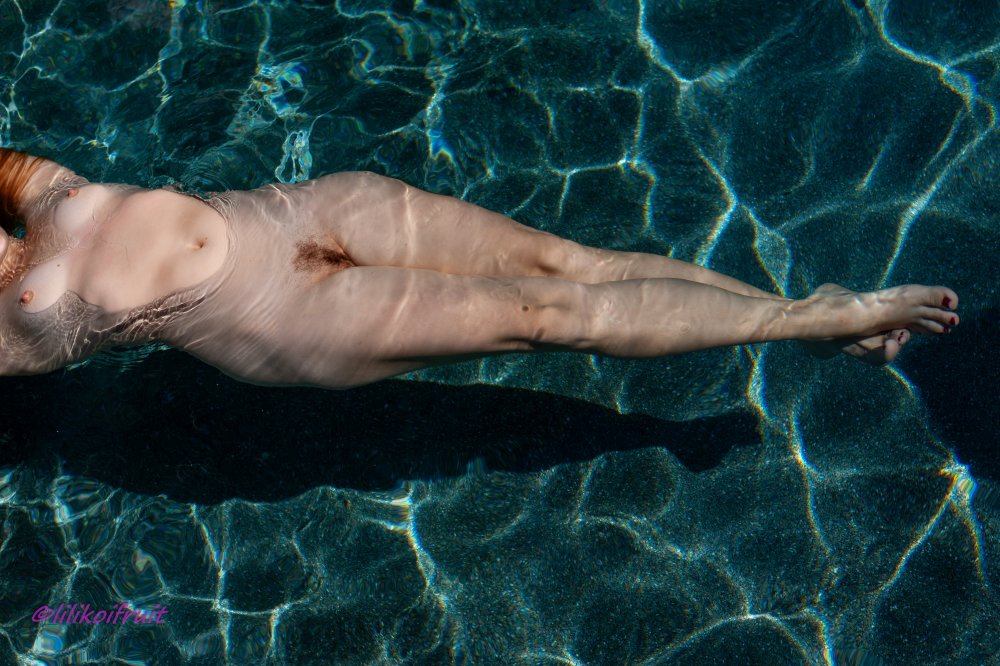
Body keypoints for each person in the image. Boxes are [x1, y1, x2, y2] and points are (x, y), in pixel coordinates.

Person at [0, 148, 958, 388]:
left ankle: (804, 308)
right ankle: (814, 322)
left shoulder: (33, 191)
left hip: (300, 207)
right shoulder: (11, 331)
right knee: (550, 314)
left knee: (568, 259)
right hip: (272, 318)